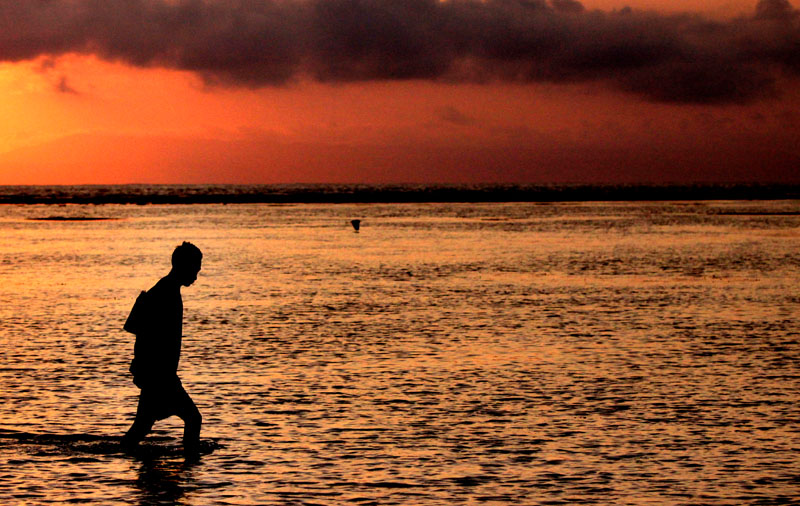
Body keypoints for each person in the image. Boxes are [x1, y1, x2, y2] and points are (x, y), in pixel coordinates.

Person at [121, 242, 203, 455]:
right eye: (195, 268)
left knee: (141, 427)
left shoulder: (169, 290)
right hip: (160, 376)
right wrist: (149, 371)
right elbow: (145, 334)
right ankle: (191, 462)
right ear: (183, 266)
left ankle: (127, 458)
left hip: (158, 374)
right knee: (193, 418)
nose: (196, 274)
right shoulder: (165, 293)